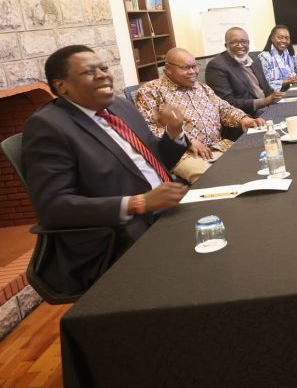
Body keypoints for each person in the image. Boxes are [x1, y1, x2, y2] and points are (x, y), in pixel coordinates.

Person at [21, 45, 189, 295]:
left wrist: (174, 131)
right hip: (119, 235)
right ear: (62, 86)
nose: (103, 75)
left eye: (104, 68)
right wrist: (139, 203)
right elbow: (53, 207)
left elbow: (157, 160)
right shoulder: (48, 127)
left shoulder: (119, 107)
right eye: (89, 72)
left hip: (167, 212)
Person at [136, 48, 264, 184]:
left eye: (194, 66)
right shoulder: (150, 91)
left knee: (256, 163)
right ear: (168, 70)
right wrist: (187, 141)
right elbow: (149, 129)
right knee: (216, 181)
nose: (193, 71)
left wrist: (243, 119)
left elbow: (224, 109)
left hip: (219, 146)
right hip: (185, 155)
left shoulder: (202, 88)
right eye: (186, 68)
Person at [205, 27, 283, 120]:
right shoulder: (217, 66)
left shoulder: (254, 59)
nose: (240, 45)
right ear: (226, 45)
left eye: (243, 42)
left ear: (248, 43)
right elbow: (227, 103)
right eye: (234, 42)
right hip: (248, 117)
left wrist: (277, 96)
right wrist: (264, 101)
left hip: (269, 109)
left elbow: (267, 89)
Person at [258, 24, 297, 92]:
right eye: (280, 37)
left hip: (292, 89)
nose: (284, 41)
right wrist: (287, 81)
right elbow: (265, 84)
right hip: (274, 94)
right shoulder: (264, 57)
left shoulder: (291, 55)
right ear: (272, 38)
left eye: (287, 38)